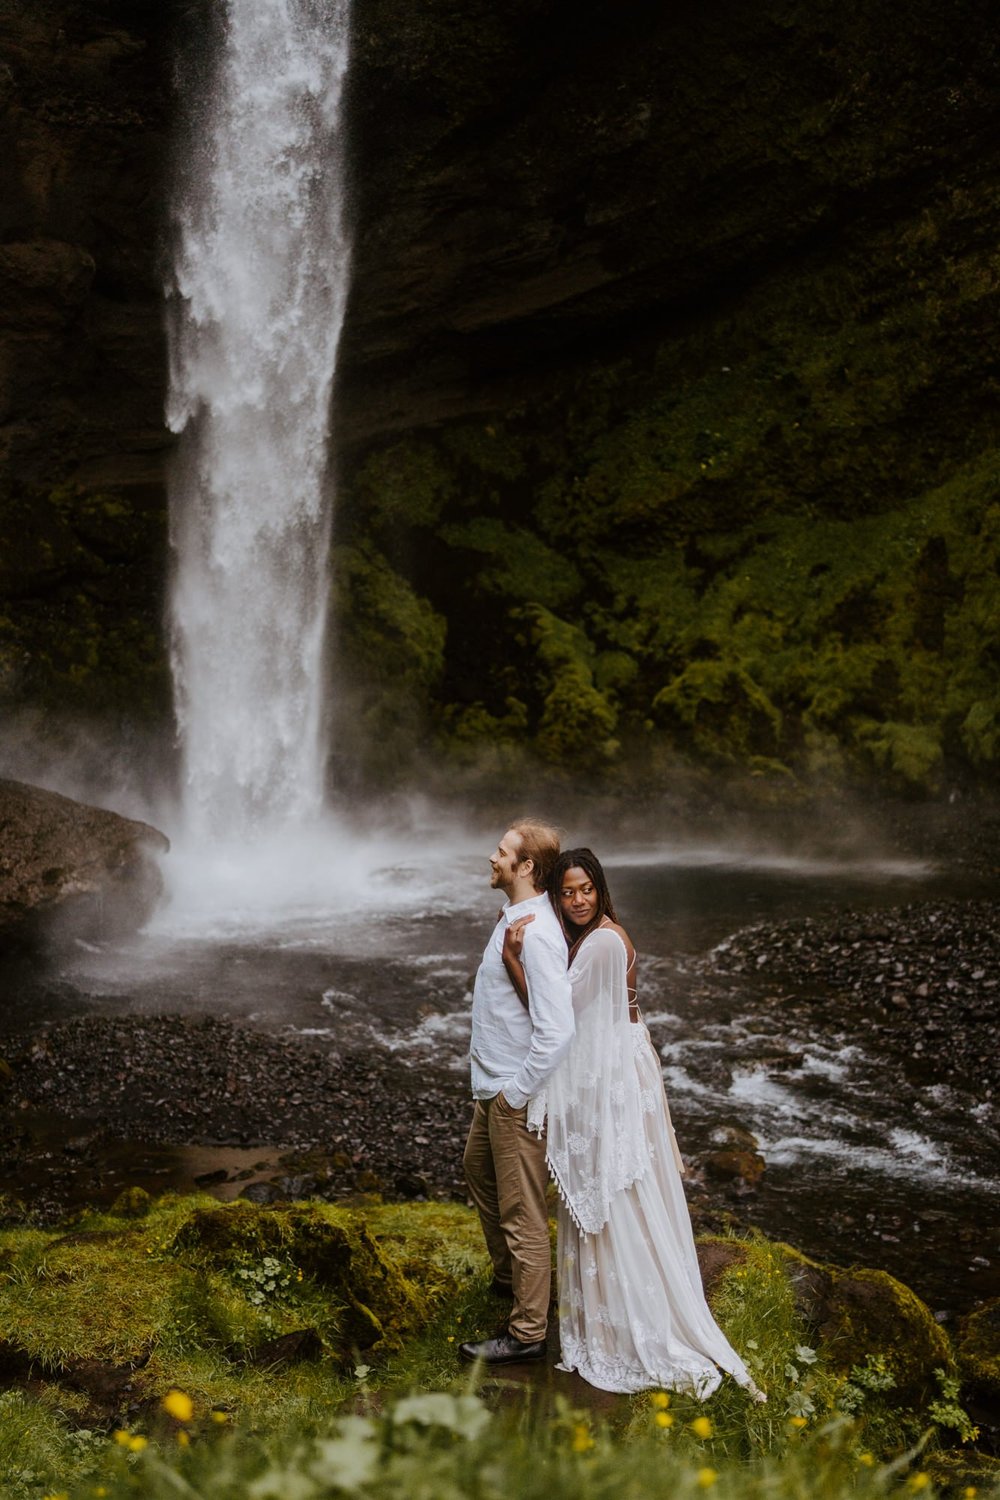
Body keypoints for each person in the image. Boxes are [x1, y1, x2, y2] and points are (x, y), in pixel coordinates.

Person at [503, 848, 765, 1400]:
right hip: (620, 1065)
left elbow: (557, 1021)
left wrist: (514, 963)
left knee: (612, 1189)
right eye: (567, 892)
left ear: (600, 889)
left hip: (612, 1073)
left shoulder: (601, 942)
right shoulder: (601, 936)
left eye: (585, 890)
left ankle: (625, 1320)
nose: (576, 900)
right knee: (620, 1185)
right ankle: (611, 1311)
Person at [458, 819, 575, 1366]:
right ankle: (514, 1281)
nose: (492, 857)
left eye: (502, 852)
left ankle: (528, 1332)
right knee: (477, 1170)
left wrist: (515, 1094)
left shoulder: (541, 937)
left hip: (513, 1094)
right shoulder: (517, 920)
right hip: (495, 1088)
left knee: (522, 1212)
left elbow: (558, 1031)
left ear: (526, 867)